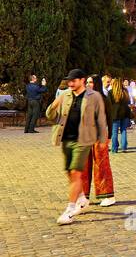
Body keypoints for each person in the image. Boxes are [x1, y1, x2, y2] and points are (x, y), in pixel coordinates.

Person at [46, 70, 108, 224]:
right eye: (69, 81)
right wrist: (53, 105)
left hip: (84, 140)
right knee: (69, 172)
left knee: (75, 173)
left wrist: (103, 139)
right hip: (66, 138)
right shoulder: (65, 94)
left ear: (82, 80)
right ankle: (82, 198)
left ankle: (70, 210)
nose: (70, 84)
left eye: (74, 81)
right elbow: (51, 116)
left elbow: (101, 119)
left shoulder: (94, 96)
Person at [83, 74, 116, 206]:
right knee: (83, 166)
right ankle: (83, 196)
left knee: (101, 165)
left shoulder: (104, 99)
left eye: (90, 82)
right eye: (87, 82)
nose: (88, 85)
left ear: (96, 84)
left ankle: (108, 195)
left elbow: (110, 118)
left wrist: (109, 136)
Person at [108, 78, 131, 153]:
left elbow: (109, 104)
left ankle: (114, 148)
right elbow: (128, 102)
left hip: (114, 114)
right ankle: (124, 147)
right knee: (123, 130)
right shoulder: (125, 91)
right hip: (125, 113)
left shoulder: (111, 92)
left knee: (114, 132)